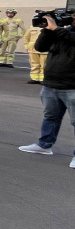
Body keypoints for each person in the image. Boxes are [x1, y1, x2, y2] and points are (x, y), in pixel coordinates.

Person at [17, 13, 75, 168]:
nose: (73, 18)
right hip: (51, 84)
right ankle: (44, 145)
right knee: (50, 117)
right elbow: (40, 47)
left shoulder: (64, 33)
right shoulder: (63, 31)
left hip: (72, 86)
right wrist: (46, 31)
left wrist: (56, 29)